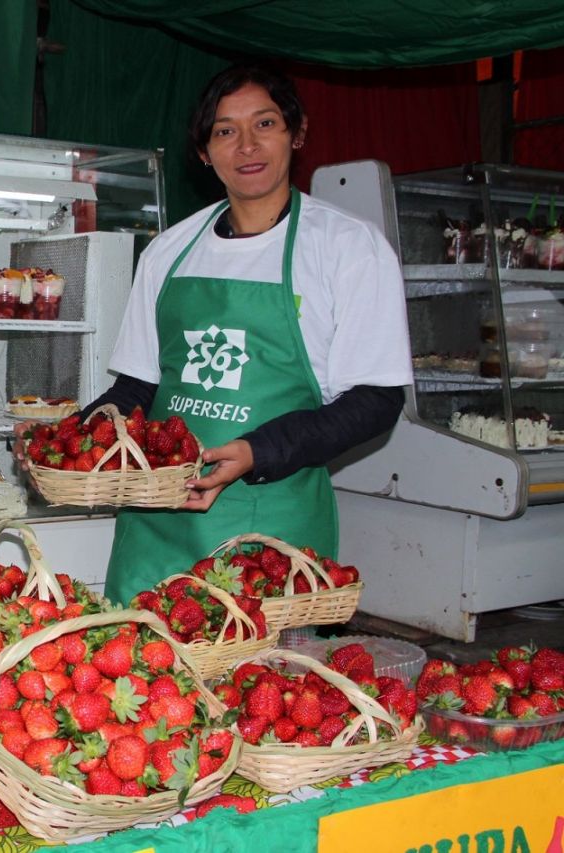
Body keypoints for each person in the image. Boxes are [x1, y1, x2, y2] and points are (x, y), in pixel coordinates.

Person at [83, 64, 413, 606]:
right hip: (158, 524)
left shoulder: (347, 247)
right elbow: (139, 389)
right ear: (204, 152)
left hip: (269, 530)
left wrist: (258, 451)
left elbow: (376, 401)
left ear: (297, 132)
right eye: (225, 131)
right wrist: (68, 437)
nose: (247, 146)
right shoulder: (170, 250)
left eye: (265, 124)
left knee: (260, 684)